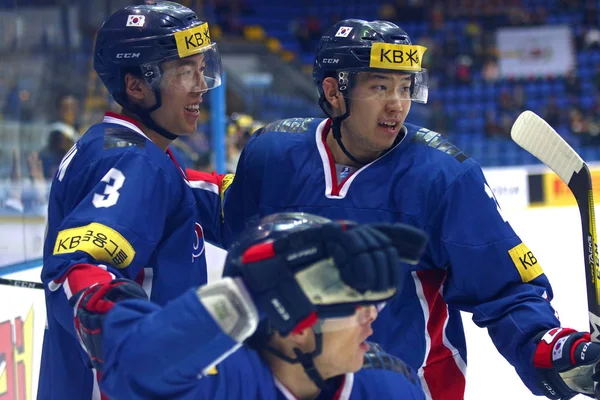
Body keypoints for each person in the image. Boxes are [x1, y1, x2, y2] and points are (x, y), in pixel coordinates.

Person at [216, 19, 600, 399]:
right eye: (380, 86)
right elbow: (230, 231)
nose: (398, 103)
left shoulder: (445, 176)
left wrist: (552, 350)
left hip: (406, 389)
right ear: (334, 92)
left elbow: (506, 290)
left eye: (405, 86)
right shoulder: (270, 155)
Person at [37, 2, 224, 399]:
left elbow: (177, 193)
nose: (201, 84)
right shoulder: (134, 159)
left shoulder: (120, 146)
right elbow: (78, 266)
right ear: (137, 86)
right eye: (184, 72)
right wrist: (140, 338)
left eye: (202, 67)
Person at [96, 212, 428, 399]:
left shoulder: (390, 386)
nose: (372, 315)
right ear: (292, 321)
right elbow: (133, 371)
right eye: (353, 304)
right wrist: (252, 289)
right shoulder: (220, 382)